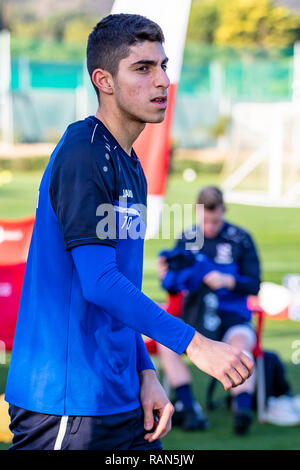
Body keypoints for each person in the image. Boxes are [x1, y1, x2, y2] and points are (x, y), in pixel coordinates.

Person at [5, 16, 253, 450]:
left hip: (120, 395)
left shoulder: (131, 164)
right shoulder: (84, 152)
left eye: (163, 65)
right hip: (68, 403)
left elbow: (123, 284)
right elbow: (99, 282)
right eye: (143, 68)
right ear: (104, 80)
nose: (162, 80)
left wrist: (146, 372)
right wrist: (194, 344)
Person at [158, 186, 260, 435]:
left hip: (230, 315)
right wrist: (166, 277)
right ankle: (189, 407)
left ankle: (242, 410)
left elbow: (254, 283)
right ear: (197, 212)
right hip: (195, 316)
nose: (210, 227)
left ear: (224, 211)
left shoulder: (240, 238)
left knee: (240, 345)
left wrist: (228, 281)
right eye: (206, 220)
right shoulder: (187, 238)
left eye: (215, 220)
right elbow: (174, 288)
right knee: (166, 345)